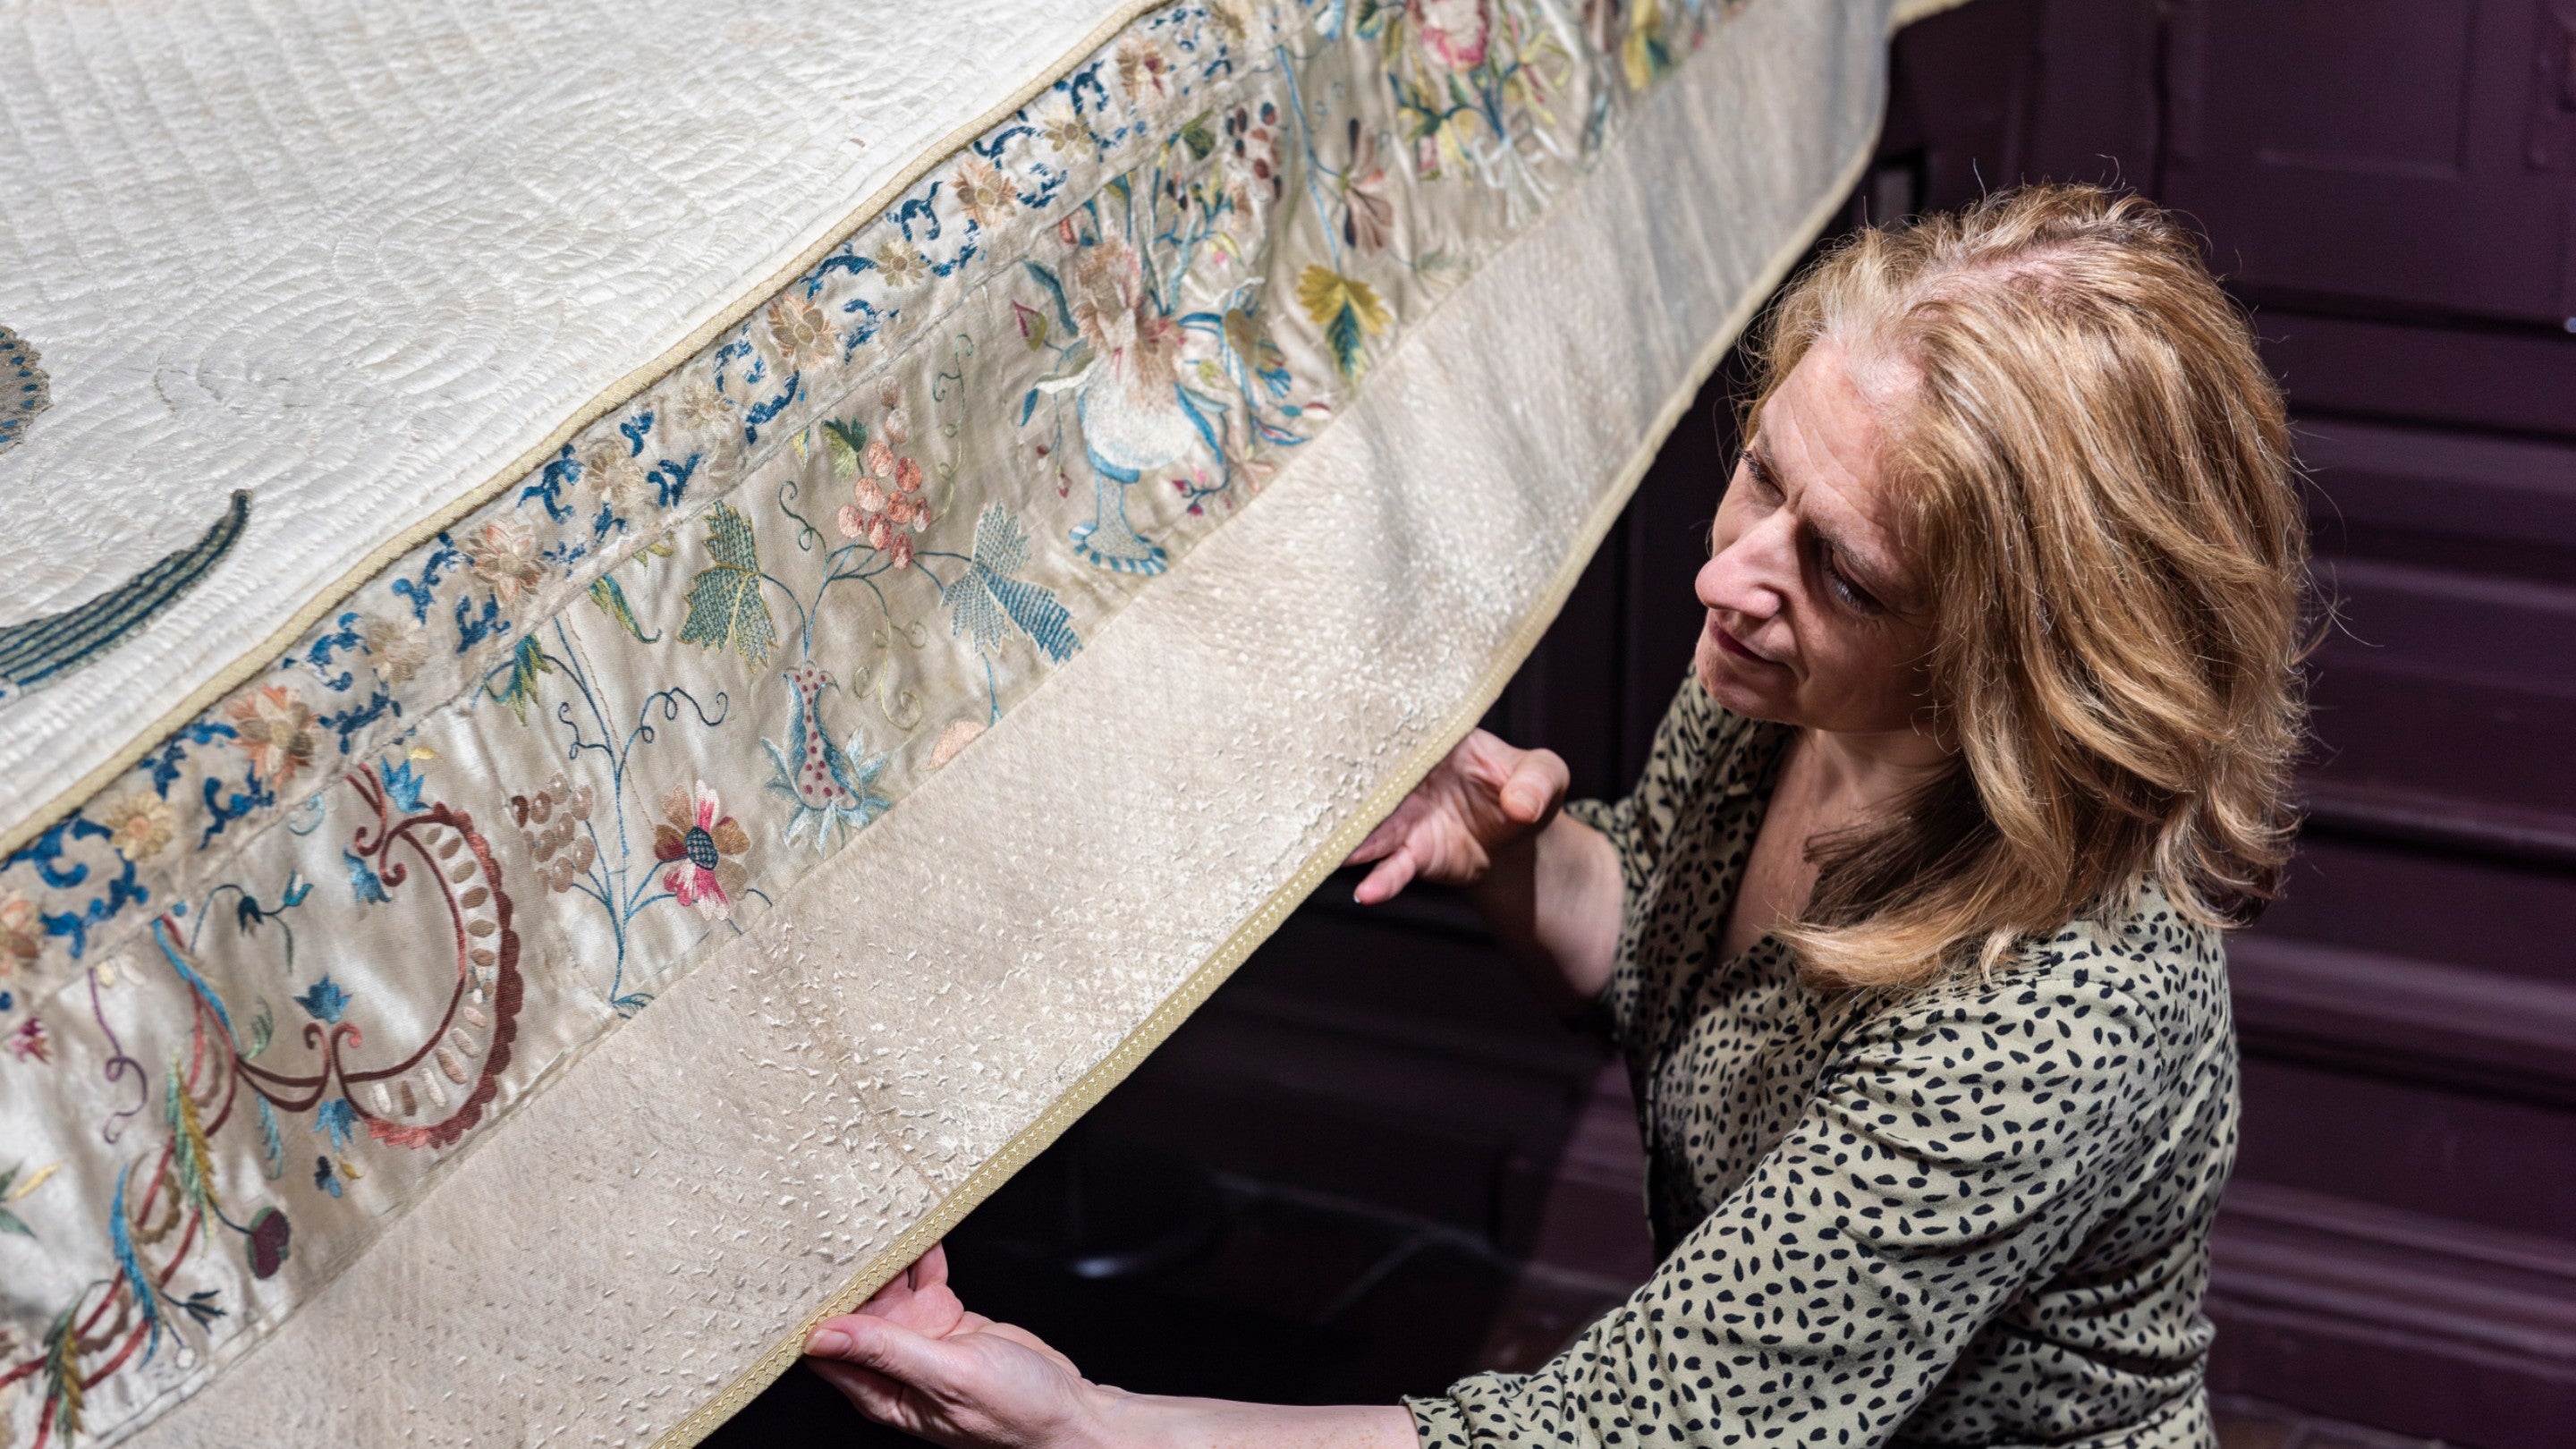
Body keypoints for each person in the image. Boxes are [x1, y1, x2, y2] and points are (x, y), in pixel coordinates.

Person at [799, 182, 2310, 1448]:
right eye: (1763, 473)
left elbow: (1623, 1435)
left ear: (2018, 661)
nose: (1728, 576)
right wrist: (1516, 858)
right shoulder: (1793, 680)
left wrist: (1086, 1425)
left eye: (1843, 573)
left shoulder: (2051, 1012)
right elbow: (1661, 934)